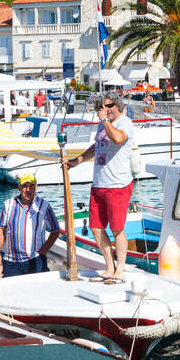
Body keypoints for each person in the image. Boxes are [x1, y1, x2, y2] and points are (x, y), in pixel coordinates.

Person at [65, 92, 135, 283]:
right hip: (99, 184)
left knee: (117, 228)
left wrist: (105, 121)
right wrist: (77, 161)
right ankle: (109, 267)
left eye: (109, 105)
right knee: (96, 227)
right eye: (102, 107)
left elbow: (118, 139)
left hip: (117, 185)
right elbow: (97, 146)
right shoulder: (101, 125)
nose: (106, 110)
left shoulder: (125, 123)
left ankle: (120, 268)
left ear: (117, 105)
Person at [0, 174, 60, 277]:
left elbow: (55, 231)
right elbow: (1, 229)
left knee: (36, 290)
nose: (28, 190)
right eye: (25, 186)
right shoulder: (8, 204)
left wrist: (43, 252)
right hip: (11, 261)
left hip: (35, 259)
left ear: (36, 187)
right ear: (19, 187)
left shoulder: (44, 206)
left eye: (32, 186)